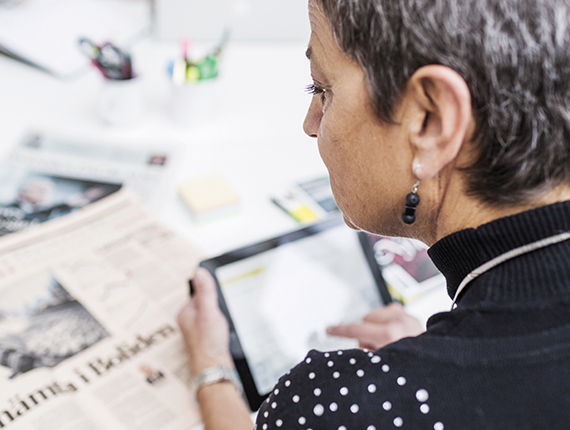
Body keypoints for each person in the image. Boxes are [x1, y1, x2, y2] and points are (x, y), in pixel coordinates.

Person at [177, 0, 570, 428]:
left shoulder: (333, 407)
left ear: (431, 120)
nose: (311, 124)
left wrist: (212, 369)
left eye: (321, 89)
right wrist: (430, 360)